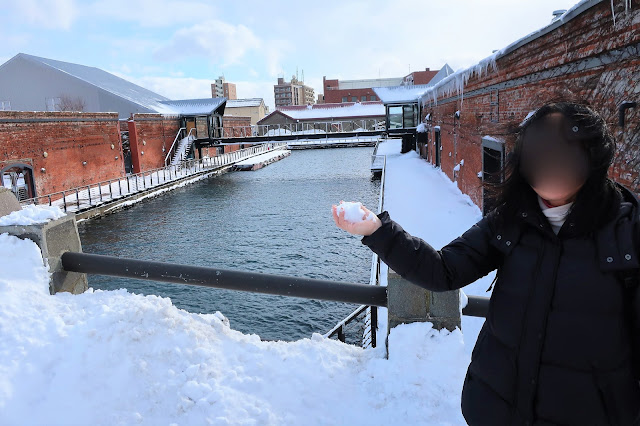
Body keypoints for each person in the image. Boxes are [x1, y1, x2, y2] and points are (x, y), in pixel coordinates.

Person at [332, 102, 640, 425]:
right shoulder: (511, 219)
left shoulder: (627, 235)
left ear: (592, 157)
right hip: (496, 410)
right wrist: (377, 230)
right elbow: (444, 270)